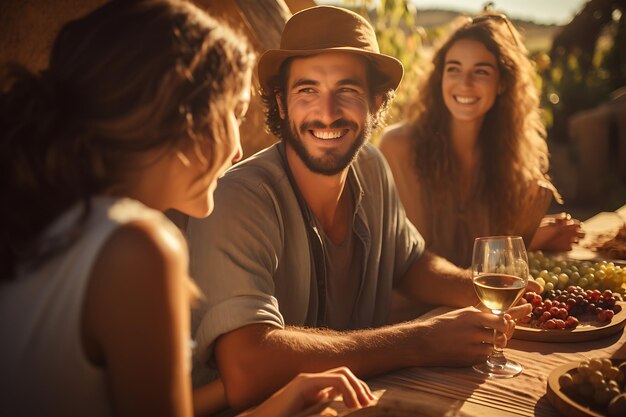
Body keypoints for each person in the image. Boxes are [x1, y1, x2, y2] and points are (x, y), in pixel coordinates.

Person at [0, 1, 375, 416]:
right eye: (233, 114)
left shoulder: (56, 228)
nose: (237, 151)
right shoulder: (137, 248)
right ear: (180, 116)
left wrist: (279, 401)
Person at [183, 5, 537, 410]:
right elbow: (249, 366)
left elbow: (412, 263)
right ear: (281, 104)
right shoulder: (240, 197)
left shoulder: (370, 165)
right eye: (307, 90)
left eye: (347, 91)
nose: (327, 112)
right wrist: (422, 341)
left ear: (377, 102)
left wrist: (484, 289)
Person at [379, 10, 584, 269]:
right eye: (453, 69)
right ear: (439, 77)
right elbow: (415, 262)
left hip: (477, 302)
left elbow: (494, 266)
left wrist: (527, 238)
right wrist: (528, 241)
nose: (464, 83)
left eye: (481, 72)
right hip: (415, 308)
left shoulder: (513, 163)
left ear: (501, 84)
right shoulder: (400, 146)